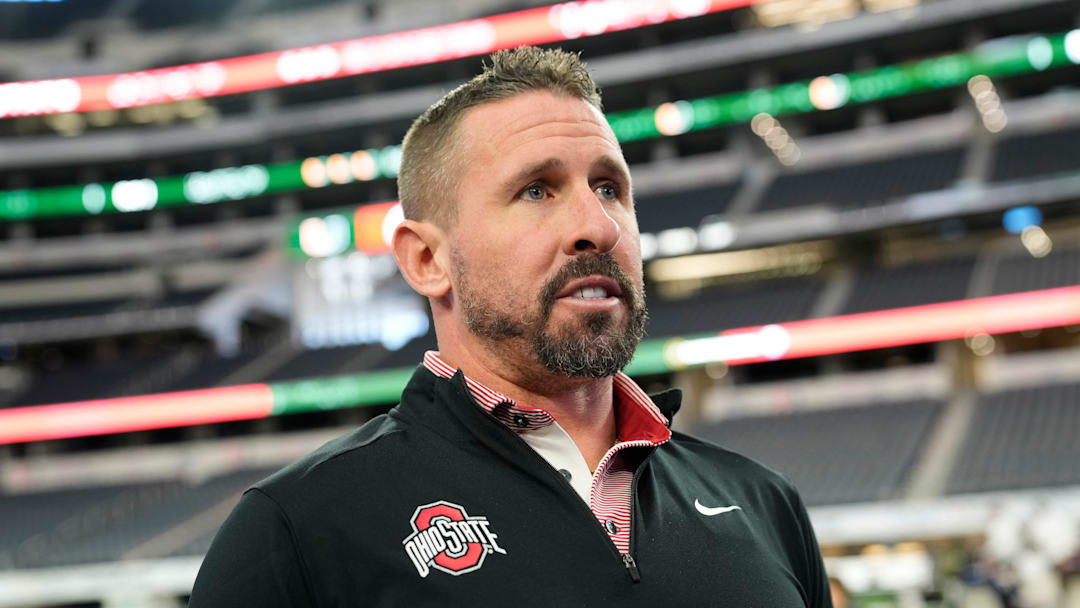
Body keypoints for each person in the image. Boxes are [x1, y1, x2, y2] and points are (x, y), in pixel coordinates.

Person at [190, 46, 832, 607]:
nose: (598, 226)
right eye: (536, 190)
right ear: (427, 259)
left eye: (609, 188)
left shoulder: (765, 505)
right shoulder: (296, 530)